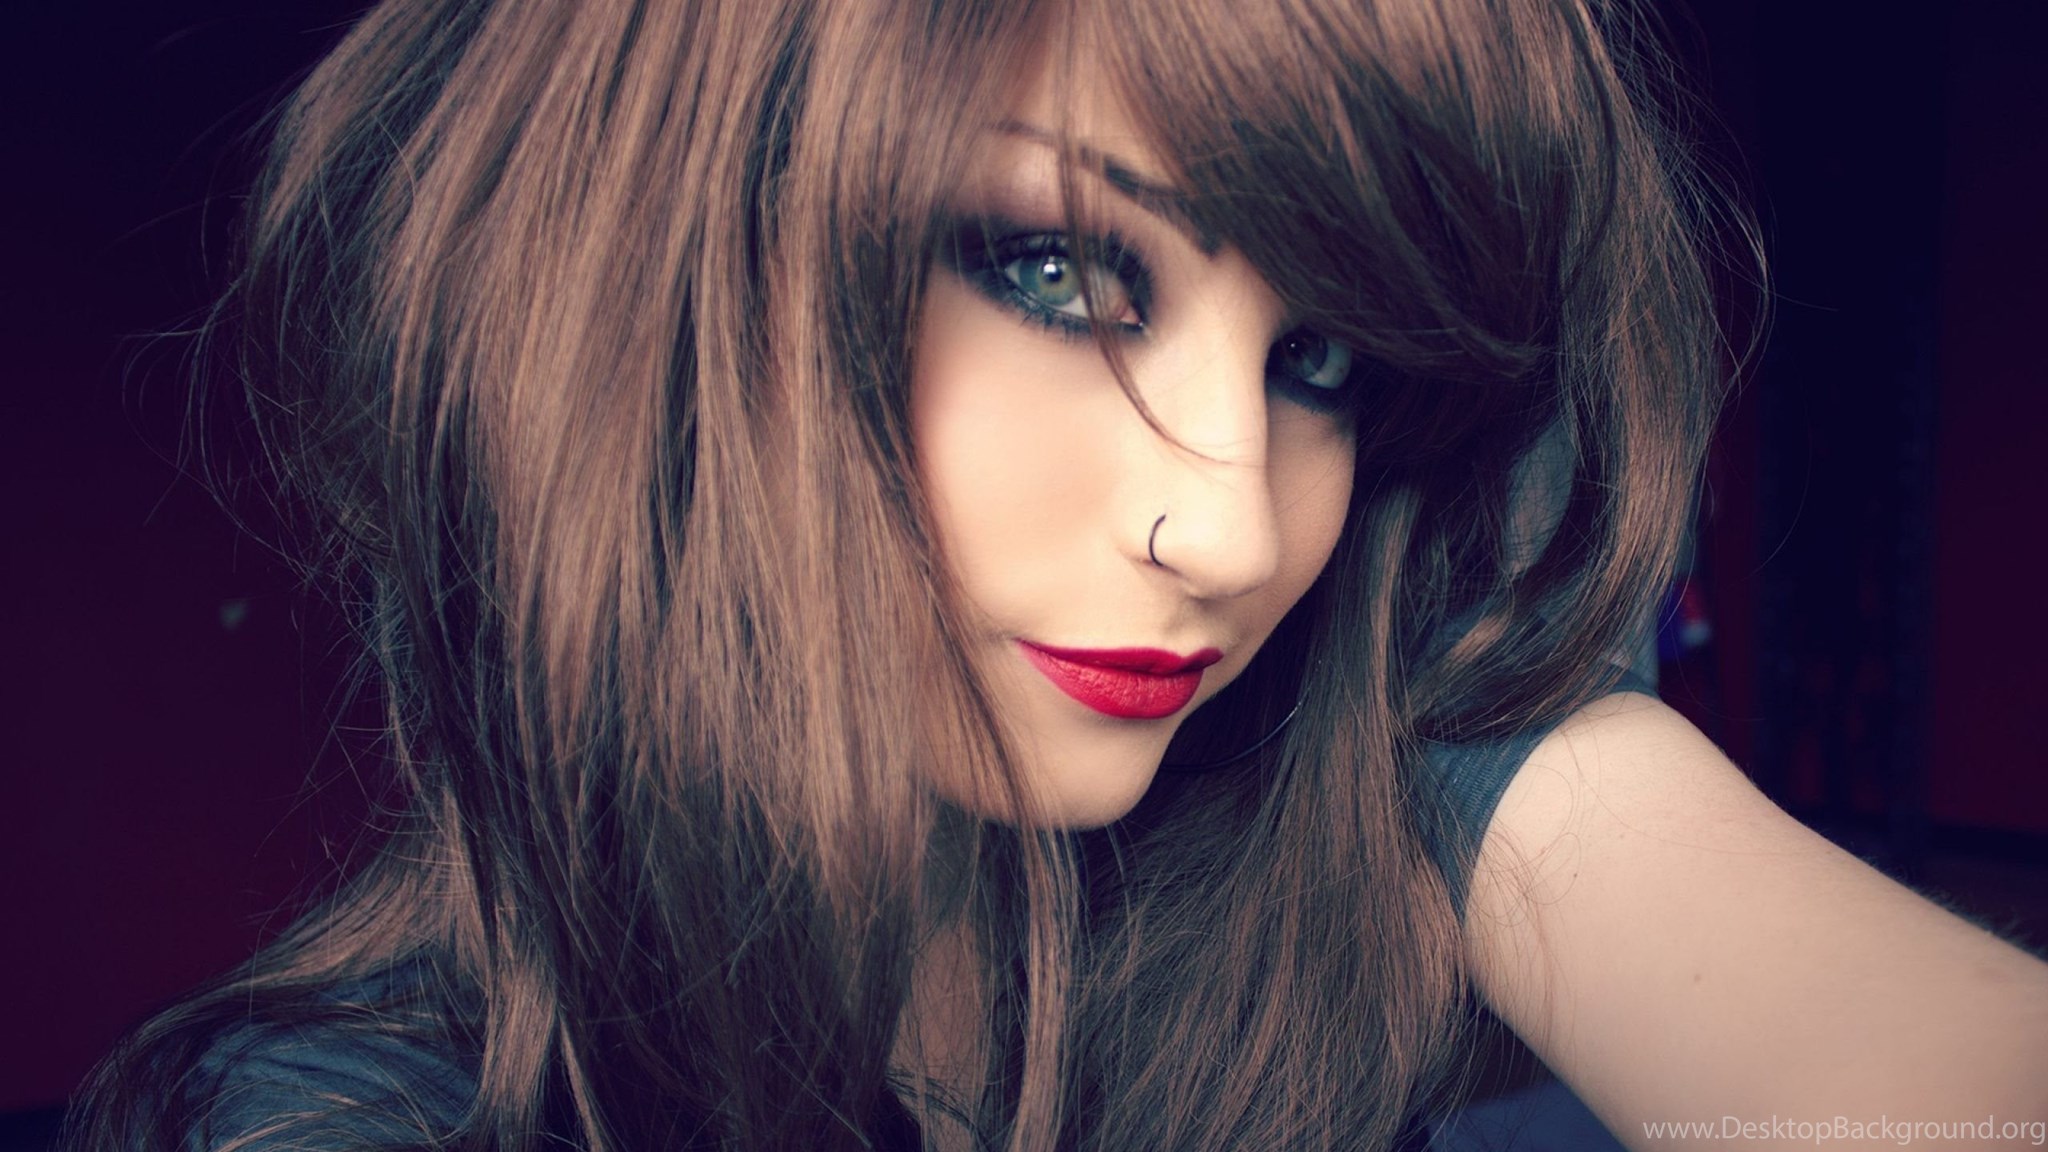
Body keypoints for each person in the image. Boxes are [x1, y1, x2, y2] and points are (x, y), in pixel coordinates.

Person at [67, 0, 2048, 1149]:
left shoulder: (1280, 931)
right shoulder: (346, 1110)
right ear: (681, 278)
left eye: (1322, 363)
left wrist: (1447, 716)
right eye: (1058, 270)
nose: (1236, 531)